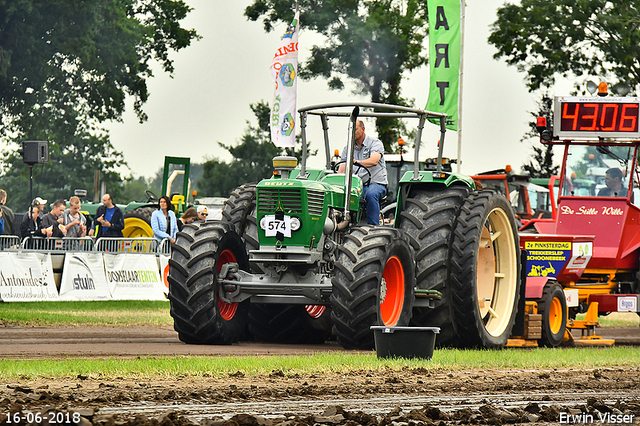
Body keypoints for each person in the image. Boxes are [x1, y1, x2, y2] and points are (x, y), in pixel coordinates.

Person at [337, 119, 388, 225]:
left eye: (354, 130)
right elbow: (341, 170)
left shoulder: (375, 143)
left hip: (376, 184)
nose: (352, 133)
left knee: (371, 193)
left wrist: (357, 162)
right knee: (340, 194)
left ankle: (373, 228)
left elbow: (374, 160)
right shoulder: (348, 148)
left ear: (363, 129)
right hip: (356, 186)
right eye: (350, 130)